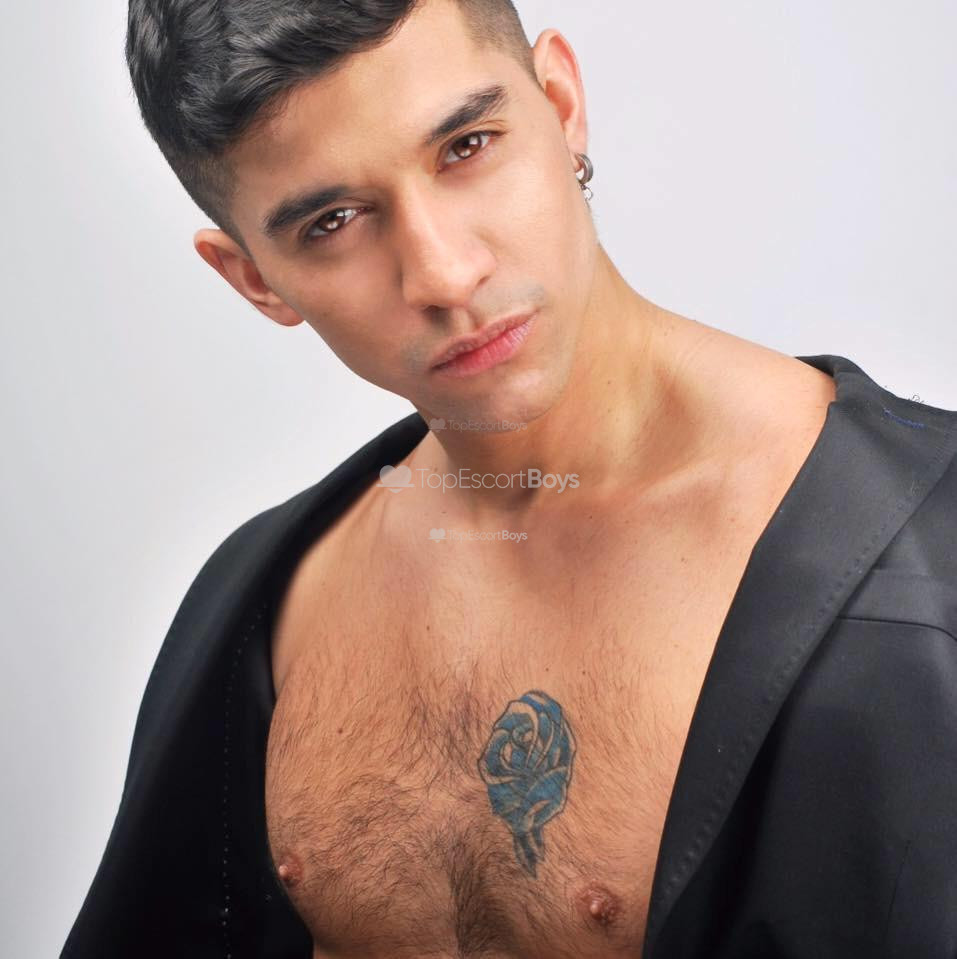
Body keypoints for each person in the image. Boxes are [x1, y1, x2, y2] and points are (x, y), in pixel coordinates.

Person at [62, 0, 957, 957]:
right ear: (253, 279)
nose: (444, 274)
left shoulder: (928, 563)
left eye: (466, 146)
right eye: (333, 221)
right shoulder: (270, 602)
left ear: (562, 104)